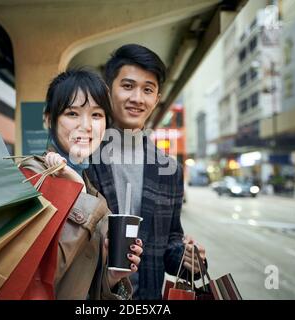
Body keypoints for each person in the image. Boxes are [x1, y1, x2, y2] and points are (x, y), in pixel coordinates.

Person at [86, 44, 207, 299]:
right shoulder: (85, 158)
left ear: (157, 99)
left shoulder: (169, 170)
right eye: (127, 86)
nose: (137, 98)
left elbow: (172, 237)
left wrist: (188, 257)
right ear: (109, 91)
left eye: (148, 89)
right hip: (92, 296)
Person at [22, 69, 143, 299]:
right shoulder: (32, 177)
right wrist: (78, 192)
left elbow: (82, 288)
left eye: (96, 115)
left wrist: (112, 278)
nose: (86, 126)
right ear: (49, 118)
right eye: (72, 113)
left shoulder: (94, 193)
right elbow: (31, 276)